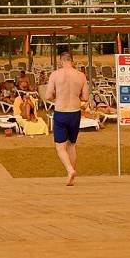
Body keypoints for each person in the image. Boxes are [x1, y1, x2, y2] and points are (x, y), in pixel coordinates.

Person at [44, 51, 90, 186]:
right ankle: (71, 177)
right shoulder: (81, 76)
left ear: (61, 61)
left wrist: (58, 95)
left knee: (60, 146)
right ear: (72, 61)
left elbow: (48, 96)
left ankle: (70, 170)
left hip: (61, 111)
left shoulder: (55, 75)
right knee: (71, 144)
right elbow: (86, 97)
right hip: (75, 113)